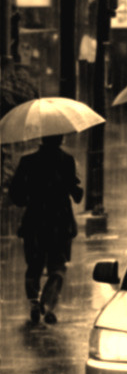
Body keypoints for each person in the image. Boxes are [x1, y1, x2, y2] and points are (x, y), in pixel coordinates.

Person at [8, 134, 83, 324]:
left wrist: (29, 198)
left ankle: (34, 302)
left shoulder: (28, 162)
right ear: (60, 139)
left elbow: (16, 194)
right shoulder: (67, 161)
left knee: (34, 265)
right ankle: (48, 303)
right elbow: (75, 192)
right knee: (57, 265)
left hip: (35, 221)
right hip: (60, 222)